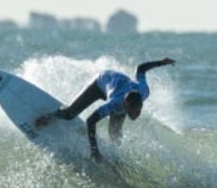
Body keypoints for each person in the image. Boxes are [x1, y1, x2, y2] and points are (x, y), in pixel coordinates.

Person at [35, 58, 176, 162]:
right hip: (101, 82)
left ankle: (116, 161)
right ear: (126, 105)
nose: (135, 115)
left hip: (120, 88)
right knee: (70, 114)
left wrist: (161, 63)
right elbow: (90, 120)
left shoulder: (144, 91)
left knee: (115, 136)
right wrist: (94, 149)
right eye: (133, 112)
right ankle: (48, 117)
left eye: (137, 111)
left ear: (141, 105)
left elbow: (140, 68)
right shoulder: (114, 104)